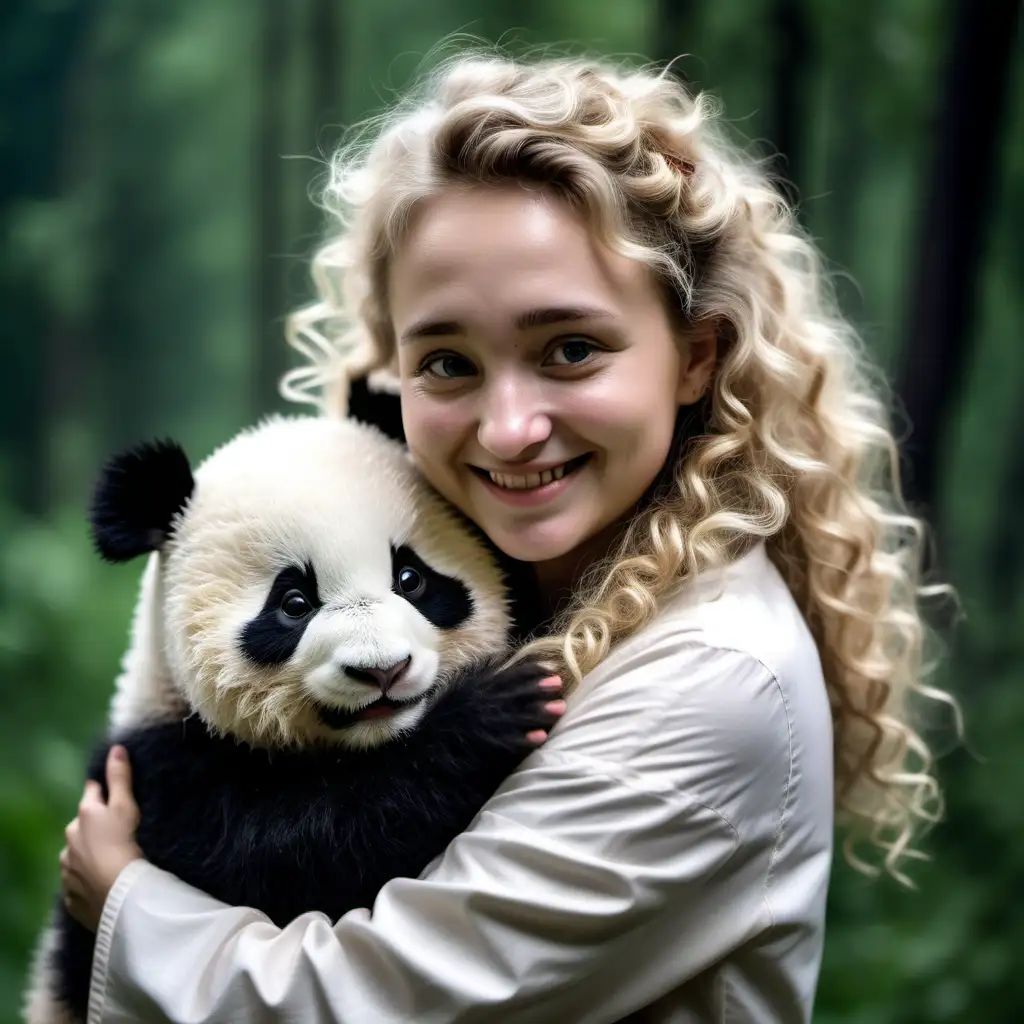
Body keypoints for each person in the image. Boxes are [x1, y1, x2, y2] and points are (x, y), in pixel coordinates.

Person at [58, 47, 953, 1023]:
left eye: (570, 349)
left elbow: (365, 1003)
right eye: (447, 362)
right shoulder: (527, 578)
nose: (507, 427)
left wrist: (126, 904)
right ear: (393, 369)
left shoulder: (709, 683)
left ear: (695, 357)